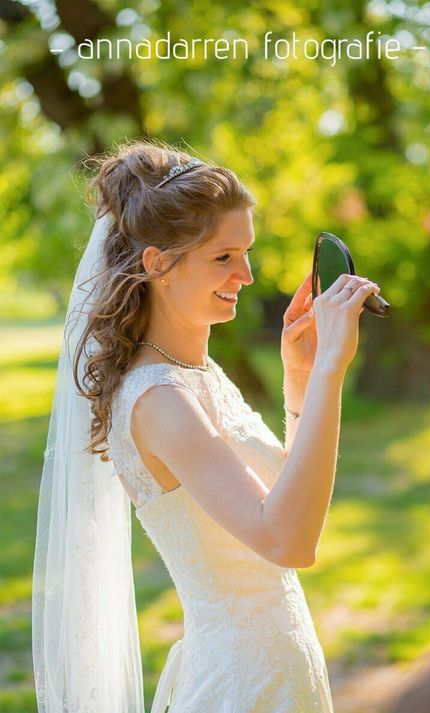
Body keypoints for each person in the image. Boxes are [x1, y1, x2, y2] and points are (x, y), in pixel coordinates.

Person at [33, 142, 380, 712]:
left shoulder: (192, 373)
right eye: (223, 257)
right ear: (157, 263)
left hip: (276, 669)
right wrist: (333, 373)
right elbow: (287, 540)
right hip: (241, 685)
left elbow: (288, 498)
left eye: (246, 252)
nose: (246, 274)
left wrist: (302, 377)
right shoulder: (161, 400)